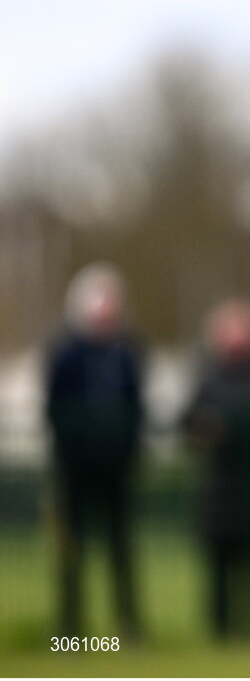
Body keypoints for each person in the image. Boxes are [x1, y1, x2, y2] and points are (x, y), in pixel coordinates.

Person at [45, 263, 144, 639]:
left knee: (121, 549)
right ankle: (70, 626)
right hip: (75, 469)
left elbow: (136, 408)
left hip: (116, 469)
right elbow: (56, 409)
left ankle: (128, 624)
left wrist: (124, 448)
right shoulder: (66, 355)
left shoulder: (126, 354)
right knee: (72, 549)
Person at [183, 299, 250, 639]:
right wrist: (206, 431)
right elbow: (189, 423)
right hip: (220, 492)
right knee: (219, 565)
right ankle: (220, 629)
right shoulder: (209, 377)